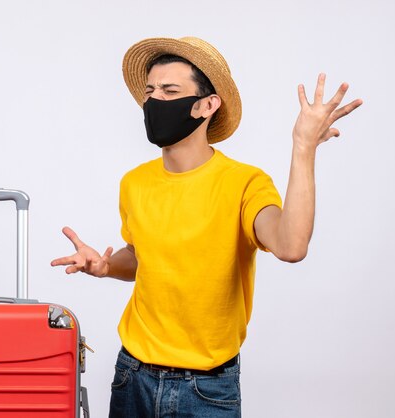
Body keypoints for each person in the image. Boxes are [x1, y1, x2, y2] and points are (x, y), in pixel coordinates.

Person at [51, 36, 362, 417]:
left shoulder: (245, 183)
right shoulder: (134, 182)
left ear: (207, 105)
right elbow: (140, 257)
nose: (154, 101)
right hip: (132, 376)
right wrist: (104, 267)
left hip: (207, 388)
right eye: (150, 91)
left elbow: (291, 245)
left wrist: (303, 146)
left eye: (169, 91)